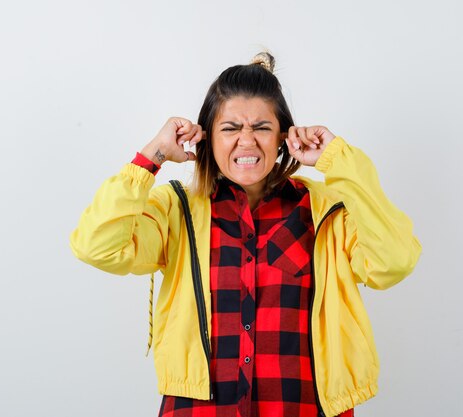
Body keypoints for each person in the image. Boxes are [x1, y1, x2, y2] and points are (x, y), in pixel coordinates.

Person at [69, 52, 421, 417]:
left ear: (283, 136)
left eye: (262, 128)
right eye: (231, 128)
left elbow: (393, 262)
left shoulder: (325, 213)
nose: (247, 141)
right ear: (207, 137)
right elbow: (97, 246)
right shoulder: (177, 211)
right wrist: (152, 156)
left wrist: (339, 160)